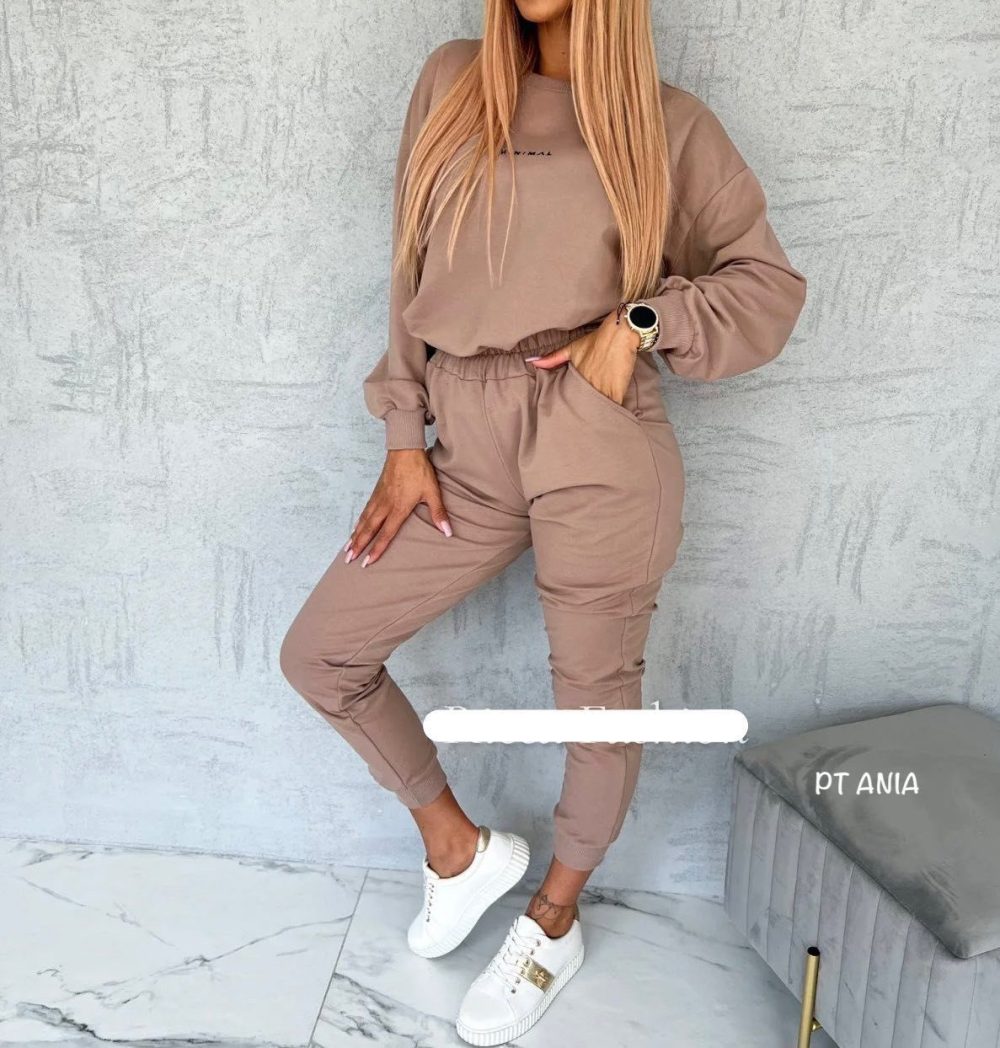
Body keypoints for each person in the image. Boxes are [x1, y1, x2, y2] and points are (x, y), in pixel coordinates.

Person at [280, 1, 806, 1043]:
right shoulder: (450, 82)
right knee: (321, 653)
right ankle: (458, 850)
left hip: (593, 438)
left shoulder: (668, 124)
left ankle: (553, 918)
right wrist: (402, 435)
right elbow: (407, 265)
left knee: (596, 708)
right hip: (462, 443)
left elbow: (767, 290)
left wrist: (639, 322)